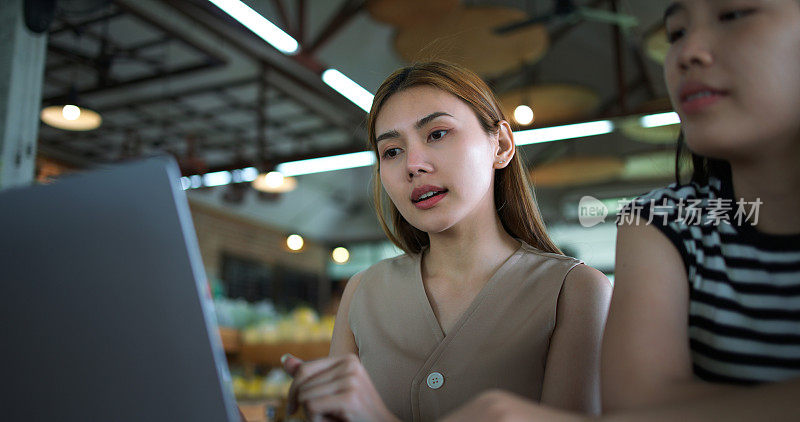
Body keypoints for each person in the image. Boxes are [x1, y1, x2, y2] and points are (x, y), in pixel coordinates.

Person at [441, 1, 800, 420]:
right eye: (677, 32)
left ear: (501, 145)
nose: (688, 52)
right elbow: (637, 406)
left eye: (734, 15)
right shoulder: (663, 221)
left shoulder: (575, 285)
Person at [279, 61, 611, 422]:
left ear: (500, 144)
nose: (413, 165)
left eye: (437, 134)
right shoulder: (362, 292)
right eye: (391, 151)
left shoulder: (575, 291)